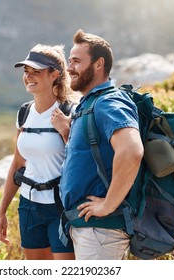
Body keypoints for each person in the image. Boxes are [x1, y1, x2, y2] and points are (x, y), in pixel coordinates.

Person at [59, 29, 144, 260]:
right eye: (69, 61)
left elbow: (132, 150)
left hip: (101, 231)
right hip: (90, 229)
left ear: (99, 64)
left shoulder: (108, 101)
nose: (69, 68)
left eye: (76, 61)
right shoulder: (91, 103)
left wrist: (108, 204)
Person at [0, 44, 78, 260]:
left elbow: (81, 161)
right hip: (29, 206)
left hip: (61, 208)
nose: (29, 77)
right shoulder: (24, 112)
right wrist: (2, 210)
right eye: (26, 72)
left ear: (54, 74)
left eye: (36, 72)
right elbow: (17, 163)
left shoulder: (71, 112)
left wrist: (67, 132)